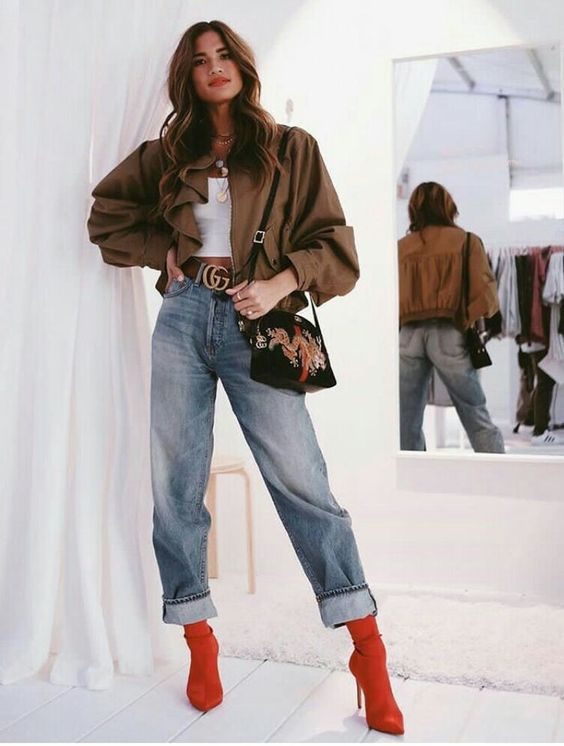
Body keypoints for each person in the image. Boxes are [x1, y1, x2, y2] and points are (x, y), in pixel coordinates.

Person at [87, 19, 404, 736]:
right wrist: (163, 252)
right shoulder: (170, 153)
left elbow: (334, 243)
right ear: (188, 76)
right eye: (201, 60)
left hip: (258, 320)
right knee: (174, 485)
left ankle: (367, 648)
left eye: (224, 54)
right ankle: (199, 637)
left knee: (301, 481)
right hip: (183, 317)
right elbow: (106, 214)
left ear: (242, 64)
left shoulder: (291, 147)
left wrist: (280, 282)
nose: (214, 66)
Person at [398, 181, 504, 453]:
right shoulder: (466, 242)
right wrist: (467, 318)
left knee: (406, 421)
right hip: (449, 331)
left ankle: (412, 475)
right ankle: (498, 470)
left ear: (414, 209)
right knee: (475, 413)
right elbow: (486, 295)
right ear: (447, 206)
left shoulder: (401, 248)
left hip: (407, 336)